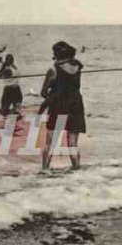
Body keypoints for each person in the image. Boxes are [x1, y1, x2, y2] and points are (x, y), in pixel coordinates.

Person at [40, 41, 85, 171]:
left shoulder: (53, 70)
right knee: (72, 143)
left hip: (59, 107)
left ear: (57, 54)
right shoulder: (77, 67)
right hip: (76, 106)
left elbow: (43, 92)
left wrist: (51, 96)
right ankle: (77, 170)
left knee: (50, 143)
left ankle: (45, 171)